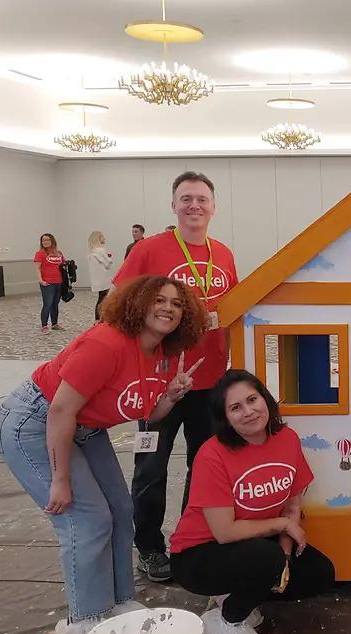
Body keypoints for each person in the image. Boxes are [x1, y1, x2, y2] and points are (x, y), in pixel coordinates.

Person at [0, 275, 208, 634]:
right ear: (138, 304)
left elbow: (145, 411)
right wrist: (60, 477)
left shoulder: (159, 354)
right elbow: (60, 409)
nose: (168, 308)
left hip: (85, 427)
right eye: (159, 300)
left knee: (121, 510)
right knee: (87, 518)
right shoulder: (106, 343)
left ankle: (118, 602)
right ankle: (86, 620)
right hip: (37, 422)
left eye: (176, 304)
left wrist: (171, 395)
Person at [114, 171, 239, 583]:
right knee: (152, 467)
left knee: (204, 468)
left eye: (202, 199)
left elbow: (236, 309)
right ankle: (149, 546)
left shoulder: (223, 254)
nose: (194, 206)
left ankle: (190, 540)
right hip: (160, 383)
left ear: (213, 206)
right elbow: (117, 301)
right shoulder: (150, 250)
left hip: (210, 382)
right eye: (186, 199)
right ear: (173, 205)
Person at [170, 370, 335, 634]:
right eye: (236, 408)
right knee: (266, 559)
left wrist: (284, 554)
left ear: (265, 399)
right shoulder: (212, 455)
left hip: (254, 542)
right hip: (199, 554)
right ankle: (226, 619)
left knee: (318, 573)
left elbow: (292, 505)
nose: (248, 412)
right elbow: (224, 532)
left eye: (252, 399)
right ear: (225, 418)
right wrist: (281, 530)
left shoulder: (287, 439)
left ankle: (236, 595)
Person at [34, 233, 65, 334]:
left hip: (58, 281)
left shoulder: (59, 253)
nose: (45, 242)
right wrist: (40, 280)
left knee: (55, 304)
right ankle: (44, 326)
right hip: (47, 282)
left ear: (52, 241)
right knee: (47, 304)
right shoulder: (40, 253)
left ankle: (54, 324)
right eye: (43, 240)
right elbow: (38, 268)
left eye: (47, 240)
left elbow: (63, 266)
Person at [87, 231, 114, 321]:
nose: (104, 238)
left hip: (97, 279)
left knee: (101, 298)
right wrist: (109, 257)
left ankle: (98, 319)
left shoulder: (92, 251)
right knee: (103, 299)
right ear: (98, 238)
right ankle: (100, 319)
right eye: (103, 237)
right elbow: (108, 263)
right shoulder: (101, 250)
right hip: (104, 279)